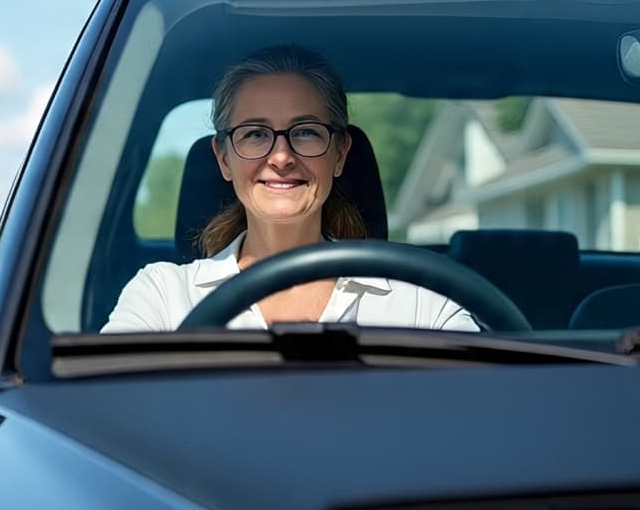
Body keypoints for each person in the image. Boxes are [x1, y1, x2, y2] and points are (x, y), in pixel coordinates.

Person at [103, 44, 479, 333]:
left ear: (339, 154)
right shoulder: (162, 296)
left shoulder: (422, 302)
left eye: (306, 132)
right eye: (255, 134)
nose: (281, 157)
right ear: (223, 158)